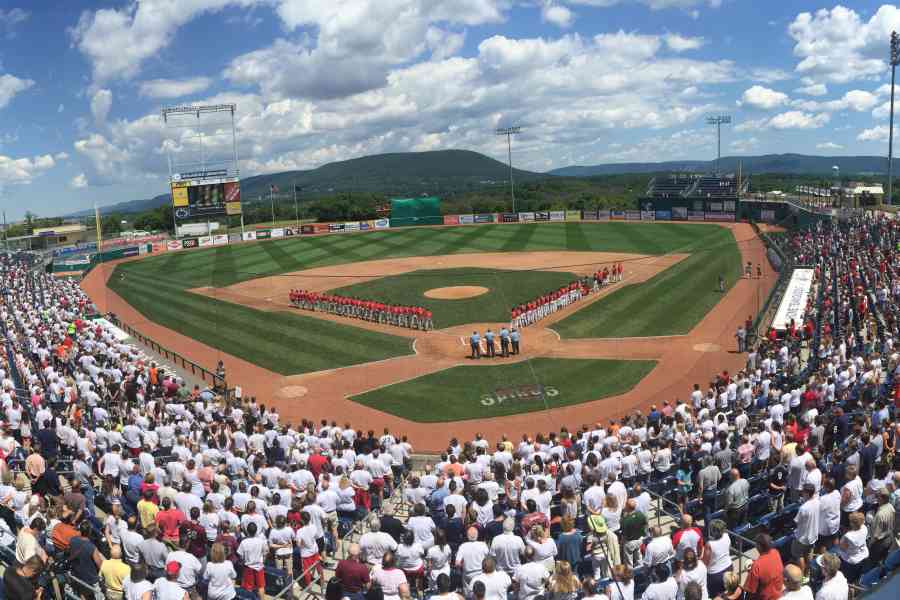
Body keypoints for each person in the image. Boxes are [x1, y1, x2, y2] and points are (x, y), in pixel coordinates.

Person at [743, 534, 783, 600]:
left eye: (756, 544)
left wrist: (752, 569)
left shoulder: (757, 566)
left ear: (759, 546)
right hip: (778, 595)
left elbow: (750, 590)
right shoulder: (776, 552)